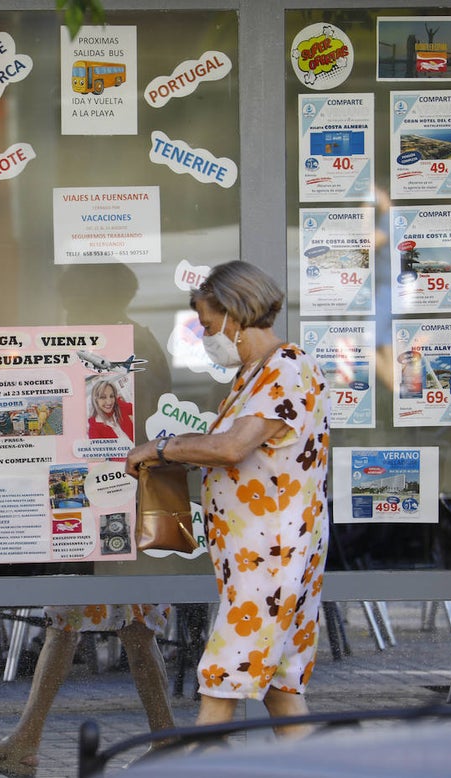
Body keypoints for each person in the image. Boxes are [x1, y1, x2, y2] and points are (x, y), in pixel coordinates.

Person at [126, 260, 330, 737]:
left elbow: (232, 448)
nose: (204, 331)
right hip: (258, 553)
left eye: (207, 320)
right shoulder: (253, 375)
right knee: (279, 684)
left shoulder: (286, 367)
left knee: (224, 677)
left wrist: (160, 448)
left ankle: (195, 764)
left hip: (272, 553)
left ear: (235, 314)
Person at [0, 604, 175, 777]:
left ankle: (166, 744)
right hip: (95, 553)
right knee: (67, 622)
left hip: (107, 554)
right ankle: (165, 743)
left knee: (134, 628)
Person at [87, 376, 134, 442]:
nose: (109, 402)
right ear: (96, 400)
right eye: (103, 397)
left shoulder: (119, 406)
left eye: (111, 396)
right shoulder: (94, 429)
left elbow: (137, 410)